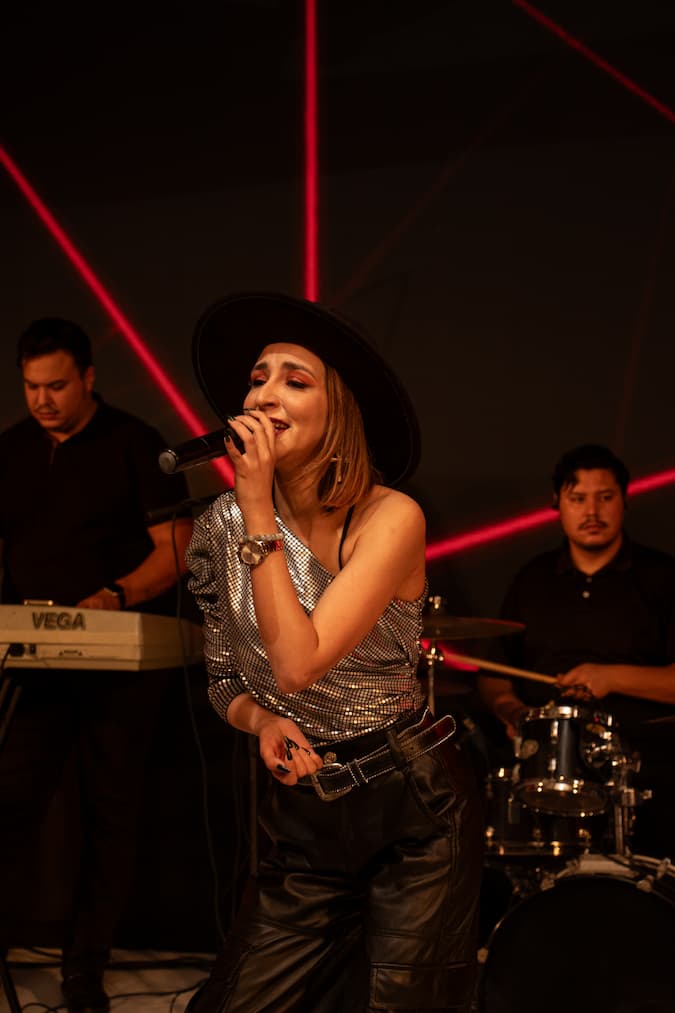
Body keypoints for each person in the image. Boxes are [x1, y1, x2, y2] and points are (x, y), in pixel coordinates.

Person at [184, 291, 483, 1013]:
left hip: (410, 808)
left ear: (338, 411)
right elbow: (224, 678)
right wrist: (262, 721)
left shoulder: (391, 516)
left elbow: (298, 664)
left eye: (295, 380)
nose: (264, 394)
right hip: (305, 815)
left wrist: (257, 509)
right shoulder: (221, 525)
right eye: (257, 378)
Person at [0, 318, 193, 1013]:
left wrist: (115, 595)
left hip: (117, 660)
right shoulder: (12, 449)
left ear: (87, 377)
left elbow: (177, 546)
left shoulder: (135, 443)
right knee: (11, 799)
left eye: (56, 386)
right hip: (34, 656)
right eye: (31, 387)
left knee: (108, 814)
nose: (42, 400)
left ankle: (85, 968)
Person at [478, 443, 675, 860]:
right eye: (578, 498)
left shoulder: (664, 578)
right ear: (557, 504)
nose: (592, 512)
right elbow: (494, 673)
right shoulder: (532, 580)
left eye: (605, 497)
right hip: (545, 766)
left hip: (646, 767)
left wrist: (611, 677)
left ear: (624, 501)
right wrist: (512, 711)